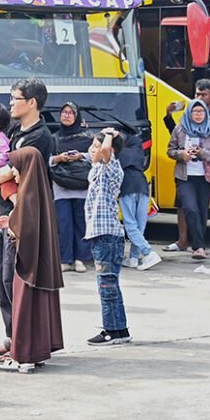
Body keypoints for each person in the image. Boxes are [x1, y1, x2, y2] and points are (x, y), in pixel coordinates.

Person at [0, 79, 55, 362]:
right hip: (0, 211)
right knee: (0, 281)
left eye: (15, 98)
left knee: (14, 279)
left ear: (32, 102)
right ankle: (12, 336)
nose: (10, 103)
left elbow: (7, 174)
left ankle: (24, 343)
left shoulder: (40, 136)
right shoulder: (14, 131)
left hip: (21, 215)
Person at [0, 147, 64, 373]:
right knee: (38, 308)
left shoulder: (27, 193)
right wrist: (12, 221)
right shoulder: (40, 190)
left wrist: (11, 227)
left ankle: (23, 358)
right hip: (40, 262)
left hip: (28, 264)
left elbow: (24, 230)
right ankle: (36, 354)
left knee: (25, 308)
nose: (13, 172)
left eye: (16, 167)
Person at [161, 80, 210, 253]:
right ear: (189, 112)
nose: (198, 114)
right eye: (195, 110)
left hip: (205, 177)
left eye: (200, 111)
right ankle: (196, 246)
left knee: (202, 212)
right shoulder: (180, 129)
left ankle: (198, 246)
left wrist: (201, 153)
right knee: (189, 208)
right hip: (184, 176)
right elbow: (170, 150)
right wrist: (181, 154)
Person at [84, 128, 133, 346]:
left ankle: (111, 331)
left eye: (96, 145)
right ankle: (119, 329)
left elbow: (105, 149)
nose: (92, 149)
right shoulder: (96, 168)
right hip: (101, 235)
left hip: (107, 236)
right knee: (109, 284)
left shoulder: (111, 166)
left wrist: (109, 134)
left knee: (107, 285)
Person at [48, 102, 93, 274]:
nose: (66, 115)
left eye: (70, 112)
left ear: (77, 116)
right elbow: (46, 160)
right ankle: (65, 259)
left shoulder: (88, 137)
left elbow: (97, 156)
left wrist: (81, 155)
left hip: (82, 186)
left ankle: (80, 259)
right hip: (61, 187)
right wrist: (59, 158)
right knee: (63, 224)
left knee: (81, 223)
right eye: (63, 112)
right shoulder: (54, 138)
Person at [119, 130, 162, 270]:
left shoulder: (117, 153)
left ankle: (148, 253)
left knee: (130, 225)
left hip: (127, 186)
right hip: (143, 187)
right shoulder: (138, 150)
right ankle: (133, 258)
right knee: (140, 225)